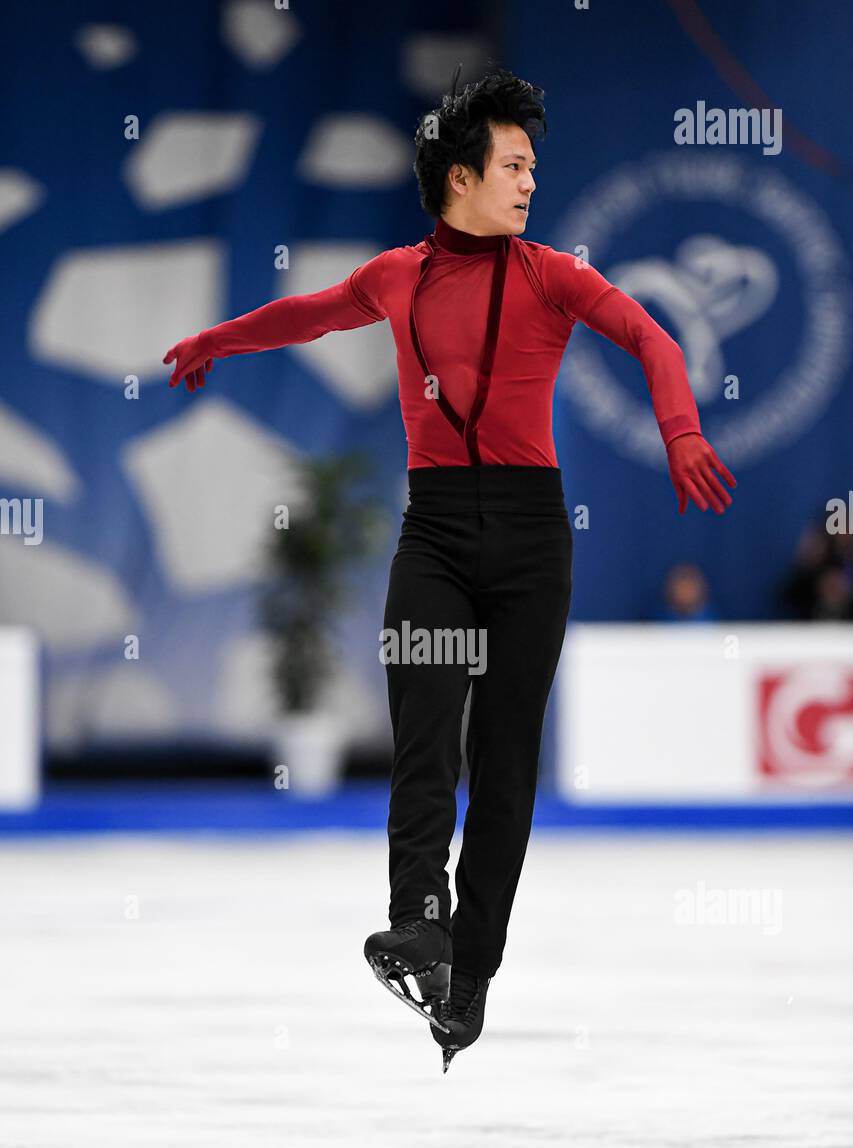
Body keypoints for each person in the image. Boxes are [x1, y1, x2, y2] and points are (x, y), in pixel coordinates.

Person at [162, 66, 737, 1073]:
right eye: (512, 165)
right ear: (460, 177)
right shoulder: (396, 277)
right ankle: (417, 919)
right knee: (423, 731)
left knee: (504, 764)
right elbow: (307, 315)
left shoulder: (553, 274)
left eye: (531, 167)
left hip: (527, 544)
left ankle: (470, 969)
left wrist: (679, 427)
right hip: (433, 538)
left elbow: (648, 334)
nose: (527, 183)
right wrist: (219, 337)